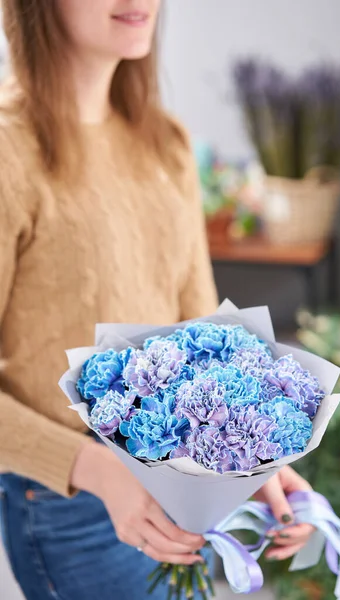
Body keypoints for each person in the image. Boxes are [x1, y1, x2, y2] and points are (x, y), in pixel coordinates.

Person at [0, 2, 314, 599]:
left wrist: (254, 463)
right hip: (74, 505)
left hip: (176, 483)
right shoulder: (8, 153)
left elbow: (204, 340)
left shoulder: (167, 144)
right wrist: (98, 470)